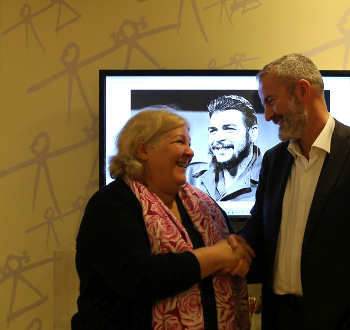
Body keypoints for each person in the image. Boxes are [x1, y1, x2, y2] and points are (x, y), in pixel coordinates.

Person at [230, 54, 350, 330]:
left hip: (345, 322)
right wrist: (238, 244)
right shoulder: (274, 160)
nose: (268, 115)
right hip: (280, 318)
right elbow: (260, 224)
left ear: (302, 90)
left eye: (271, 101)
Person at [72, 108, 252, 330]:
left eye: (190, 143)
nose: (190, 152)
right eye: (180, 142)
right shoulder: (111, 204)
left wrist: (237, 259)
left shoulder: (204, 205)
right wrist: (216, 256)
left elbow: (231, 250)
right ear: (143, 149)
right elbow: (139, 277)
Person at [187, 95, 262, 202]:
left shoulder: (273, 178)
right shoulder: (189, 176)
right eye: (213, 130)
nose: (218, 138)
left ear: (252, 133)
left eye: (229, 129)